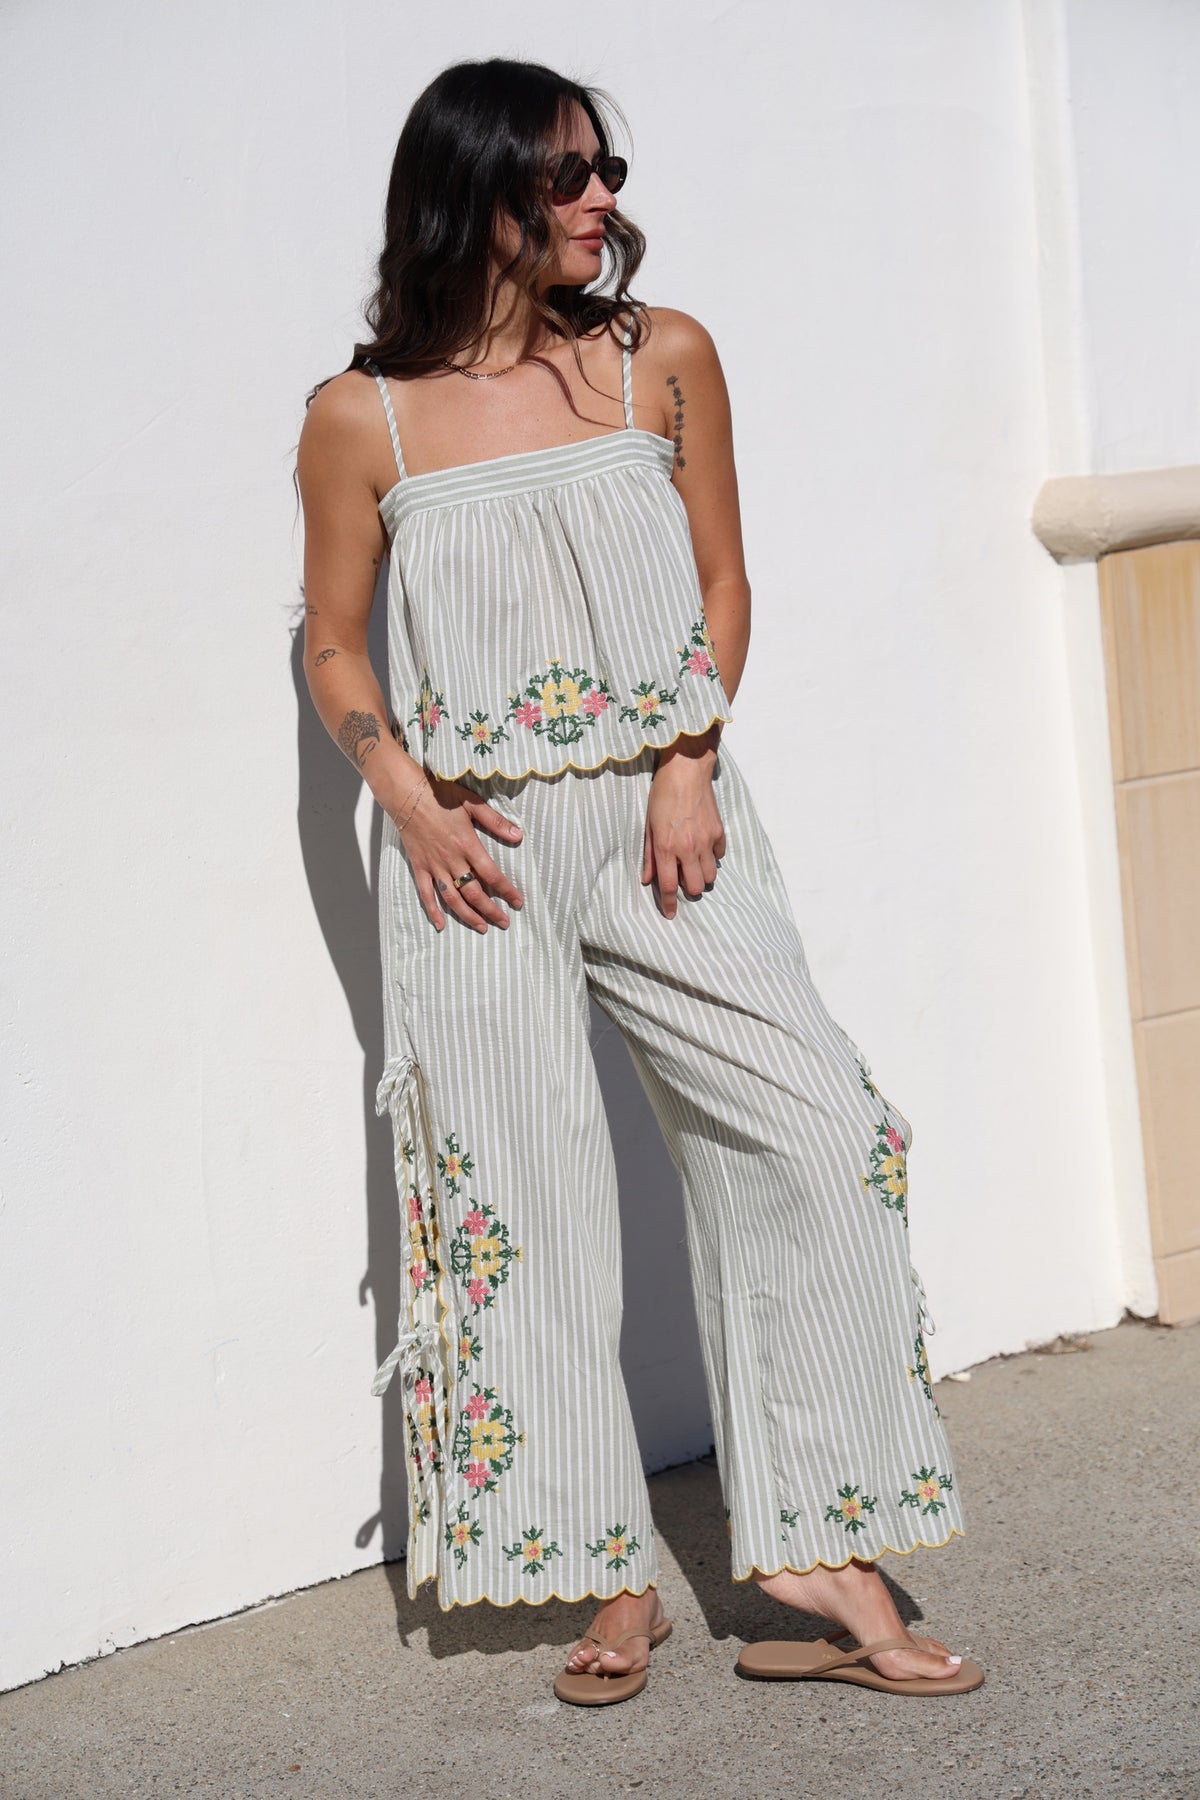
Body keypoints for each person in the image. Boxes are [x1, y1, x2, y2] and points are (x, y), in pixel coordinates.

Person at [296, 57, 983, 1705]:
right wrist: (407, 795)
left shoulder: (660, 359)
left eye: (608, 165)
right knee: (518, 1209)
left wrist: (688, 754)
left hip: (667, 818)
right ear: (478, 195)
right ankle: (607, 1574)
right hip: (480, 856)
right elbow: (327, 638)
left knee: (824, 1126)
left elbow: (724, 580)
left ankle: (819, 1539)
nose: (603, 195)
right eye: (565, 174)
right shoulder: (362, 417)